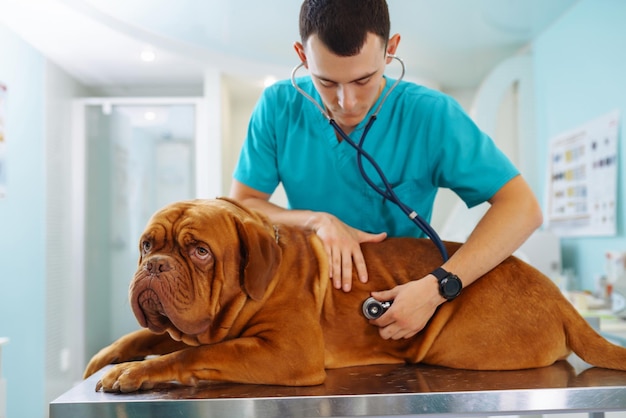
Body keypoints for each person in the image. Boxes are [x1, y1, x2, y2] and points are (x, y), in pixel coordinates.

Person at [230, 0, 543, 341]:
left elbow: (522, 208)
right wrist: (318, 221)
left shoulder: (431, 115)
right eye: (326, 82)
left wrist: (440, 286)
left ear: (390, 50)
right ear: (302, 57)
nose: (346, 102)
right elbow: (244, 203)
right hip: (311, 296)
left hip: (407, 305)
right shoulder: (278, 107)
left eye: (363, 80)